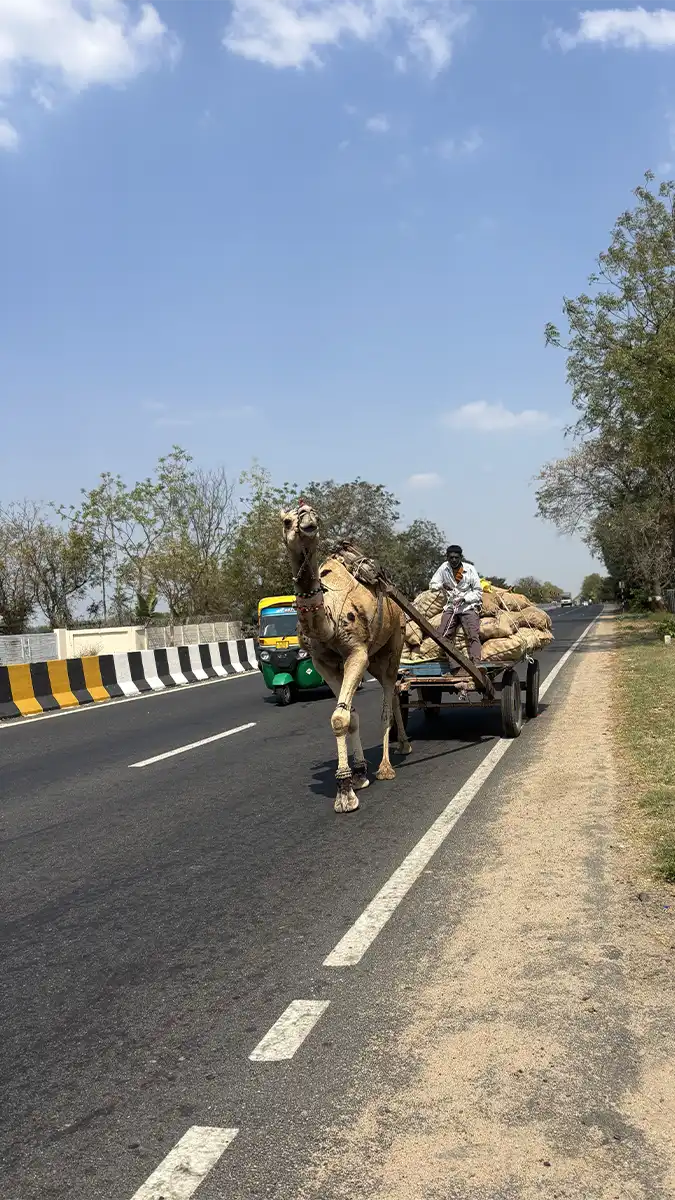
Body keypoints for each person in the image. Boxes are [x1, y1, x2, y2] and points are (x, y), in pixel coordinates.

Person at [429, 545, 483, 664]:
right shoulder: (444, 568)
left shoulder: (470, 569)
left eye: (456, 557)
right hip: (451, 606)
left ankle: (477, 664)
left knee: (473, 635)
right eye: (451, 557)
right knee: (442, 635)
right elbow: (432, 585)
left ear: (461, 557)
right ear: (447, 557)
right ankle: (454, 665)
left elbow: (478, 592)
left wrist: (464, 599)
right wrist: (441, 585)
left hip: (468, 606)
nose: (453, 560)